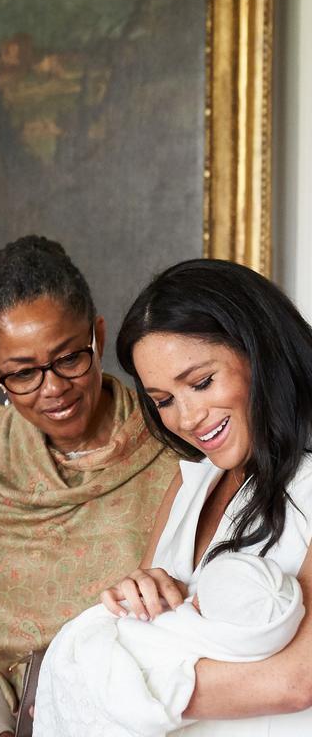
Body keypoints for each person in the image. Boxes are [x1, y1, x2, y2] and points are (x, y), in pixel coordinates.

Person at [0, 235, 179, 737]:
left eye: (69, 358)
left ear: (98, 337)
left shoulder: (175, 445)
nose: (53, 389)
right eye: (22, 373)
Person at [99, 258, 312, 734]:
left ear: (261, 351)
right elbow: (156, 631)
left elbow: (297, 680)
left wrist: (108, 678)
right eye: (163, 401)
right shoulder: (191, 482)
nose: (188, 417)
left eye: (200, 383)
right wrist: (137, 598)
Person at [35, 553, 304, 736]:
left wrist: (80, 691)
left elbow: (295, 683)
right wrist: (154, 591)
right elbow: (141, 605)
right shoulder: (189, 482)